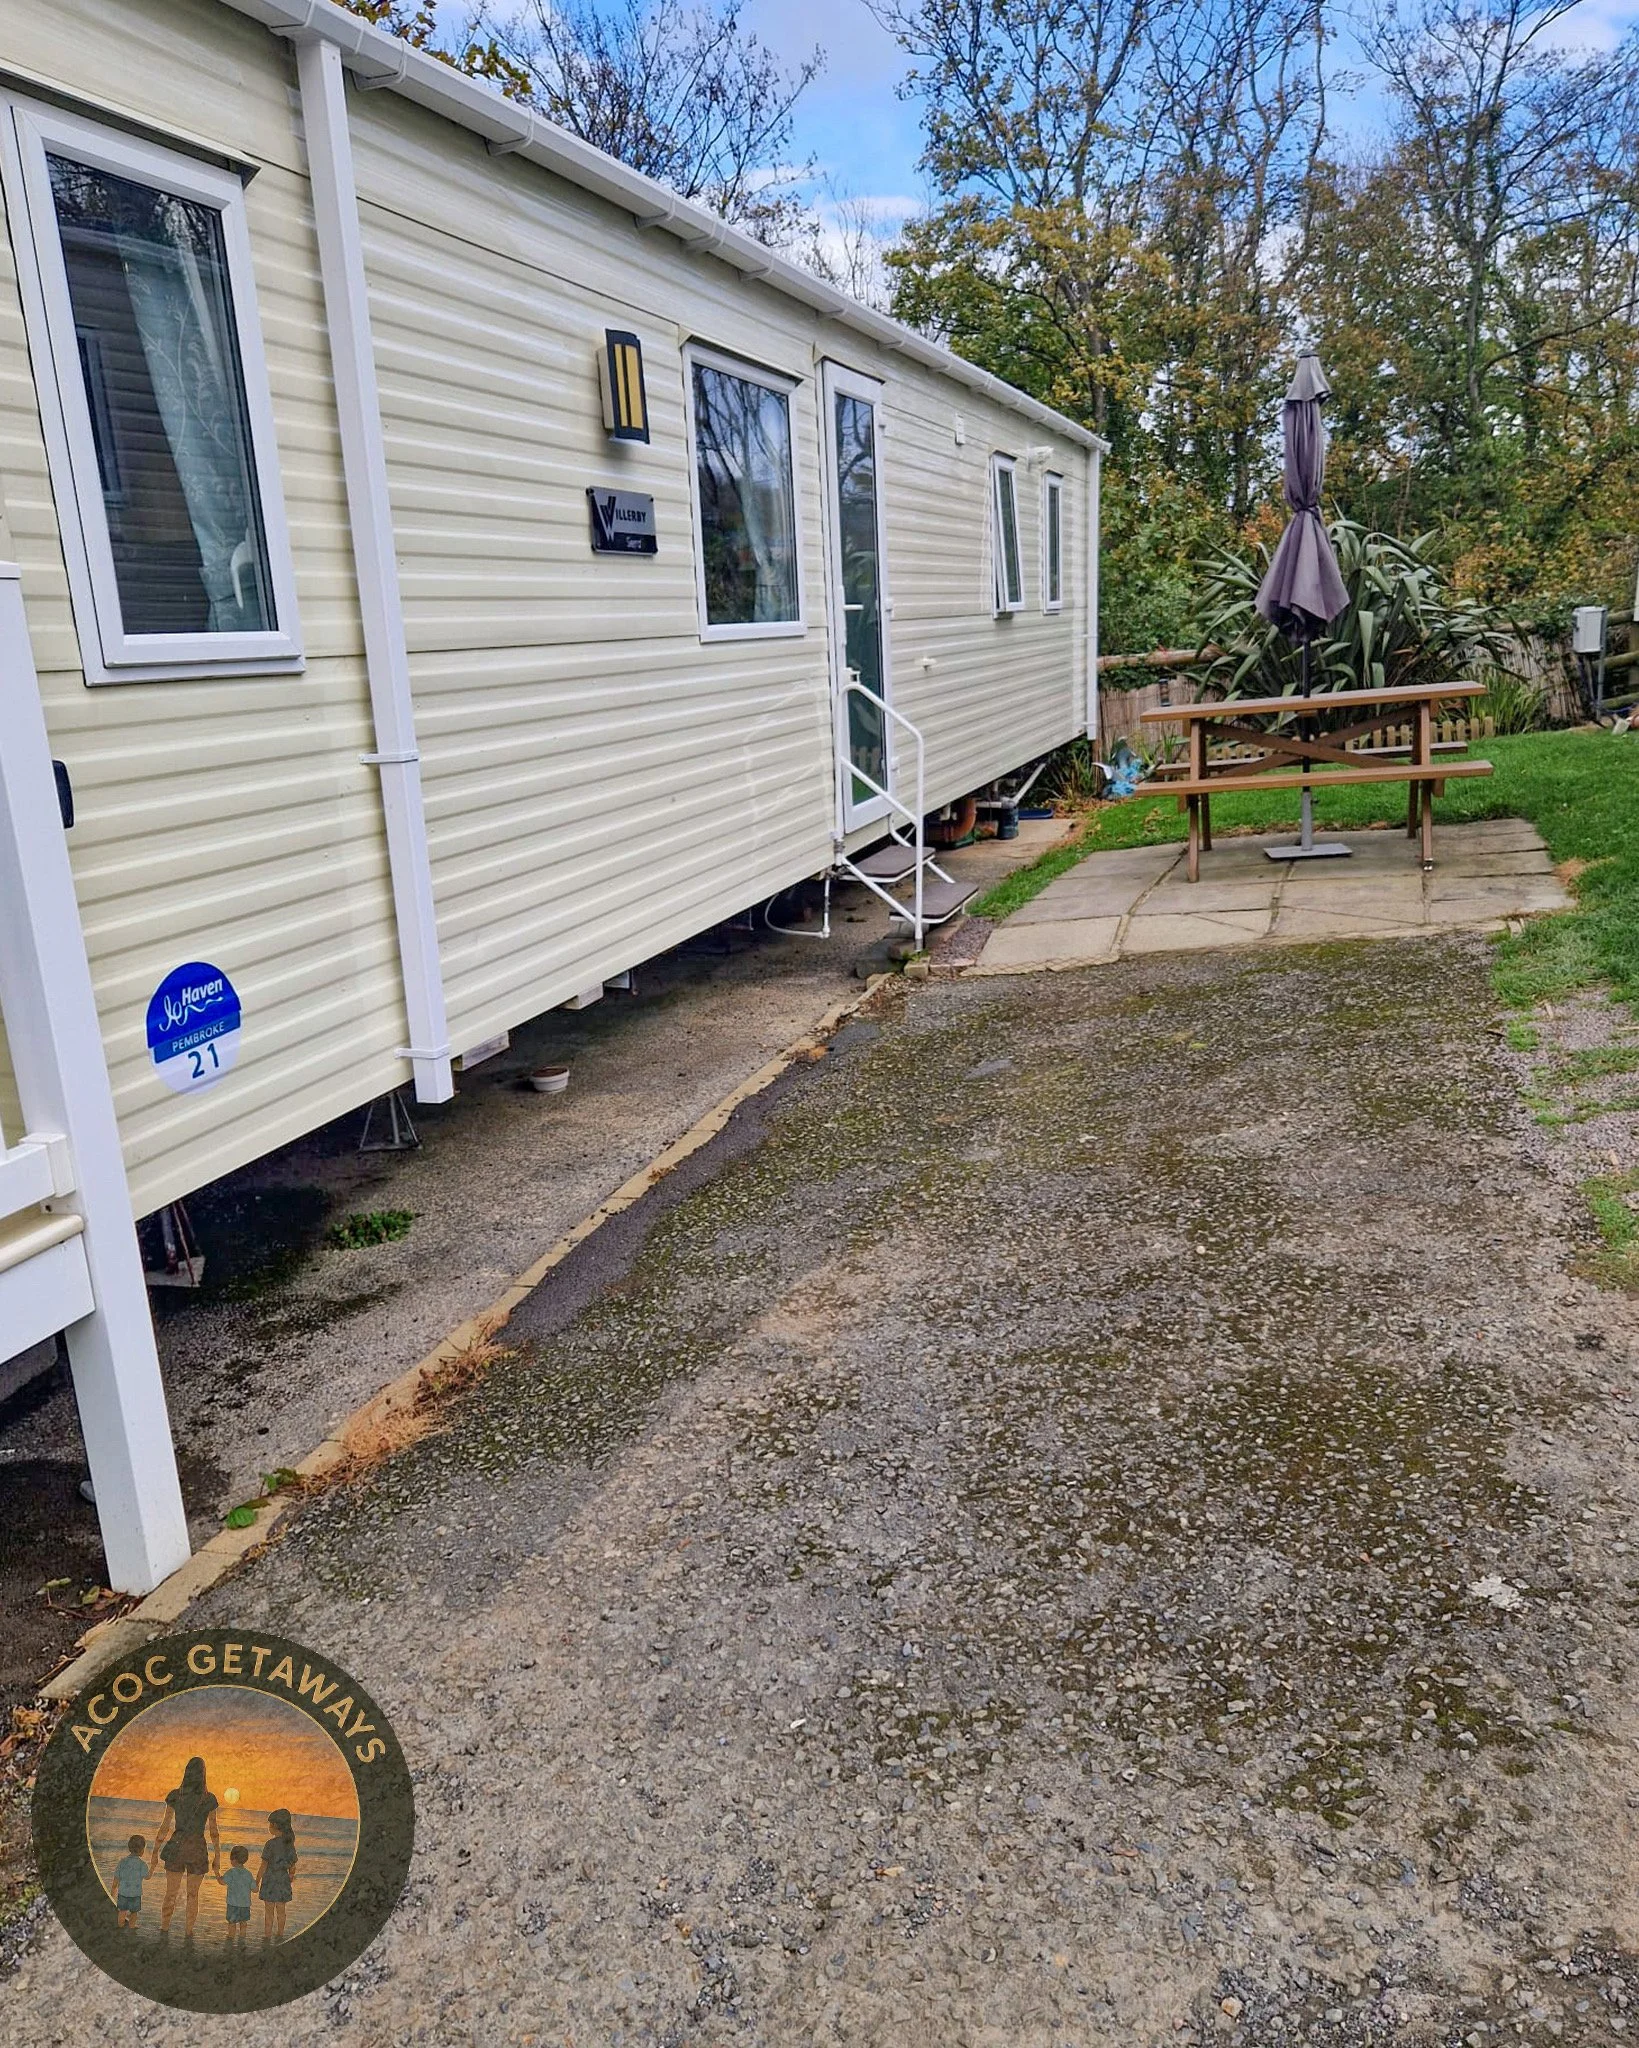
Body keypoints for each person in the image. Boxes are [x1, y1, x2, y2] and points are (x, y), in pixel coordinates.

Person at [148, 1756, 220, 1937]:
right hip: (197, 1848)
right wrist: (217, 1855)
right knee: (192, 1895)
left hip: (177, 1846)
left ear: (186, 1772)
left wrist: (155, 1851)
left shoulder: (176, 1795)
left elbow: (165, 1826)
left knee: (170, 1893)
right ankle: (188, 1932)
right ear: (203, 1774)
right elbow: (214, 1831)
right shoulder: (208, 1798)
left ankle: (164, 1929)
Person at [257, 1809, 297, 1942]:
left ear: (275, 1825)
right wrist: (291, 1876)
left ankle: (267, 1936)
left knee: (269, 1911)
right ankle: (280, 1934)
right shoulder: (289, 1844)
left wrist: (256, 1881)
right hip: (282, 1879)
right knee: (281, 1909)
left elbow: (263, 1866)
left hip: (269, 1879)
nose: (269, 1827)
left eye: (270, 1824)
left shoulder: (270, 1844)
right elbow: (292, 1866)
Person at [216, 1843, 255, 1946]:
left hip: (233, 1904)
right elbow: (255, 1889)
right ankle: (242, 1940)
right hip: (245, 1905)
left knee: (232, 1923)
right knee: (243, 1923)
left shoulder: (231, 1872)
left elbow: (222, 1882)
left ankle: (230, 1939)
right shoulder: (248, 1874)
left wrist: (217, 1873)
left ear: (233, 1860)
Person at [114, 1834, 148, 1928]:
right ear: (142, 1850)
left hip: (123, 1892)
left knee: (122, 1911)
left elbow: (116, 1877)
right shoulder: (142, 1864)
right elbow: (147, 1877)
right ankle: (132, 1926)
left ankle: (120, 1925)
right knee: (134, 1912)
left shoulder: (122, 1862)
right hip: (135, 1894)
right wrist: (152, 1867)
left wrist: (113, 1890)